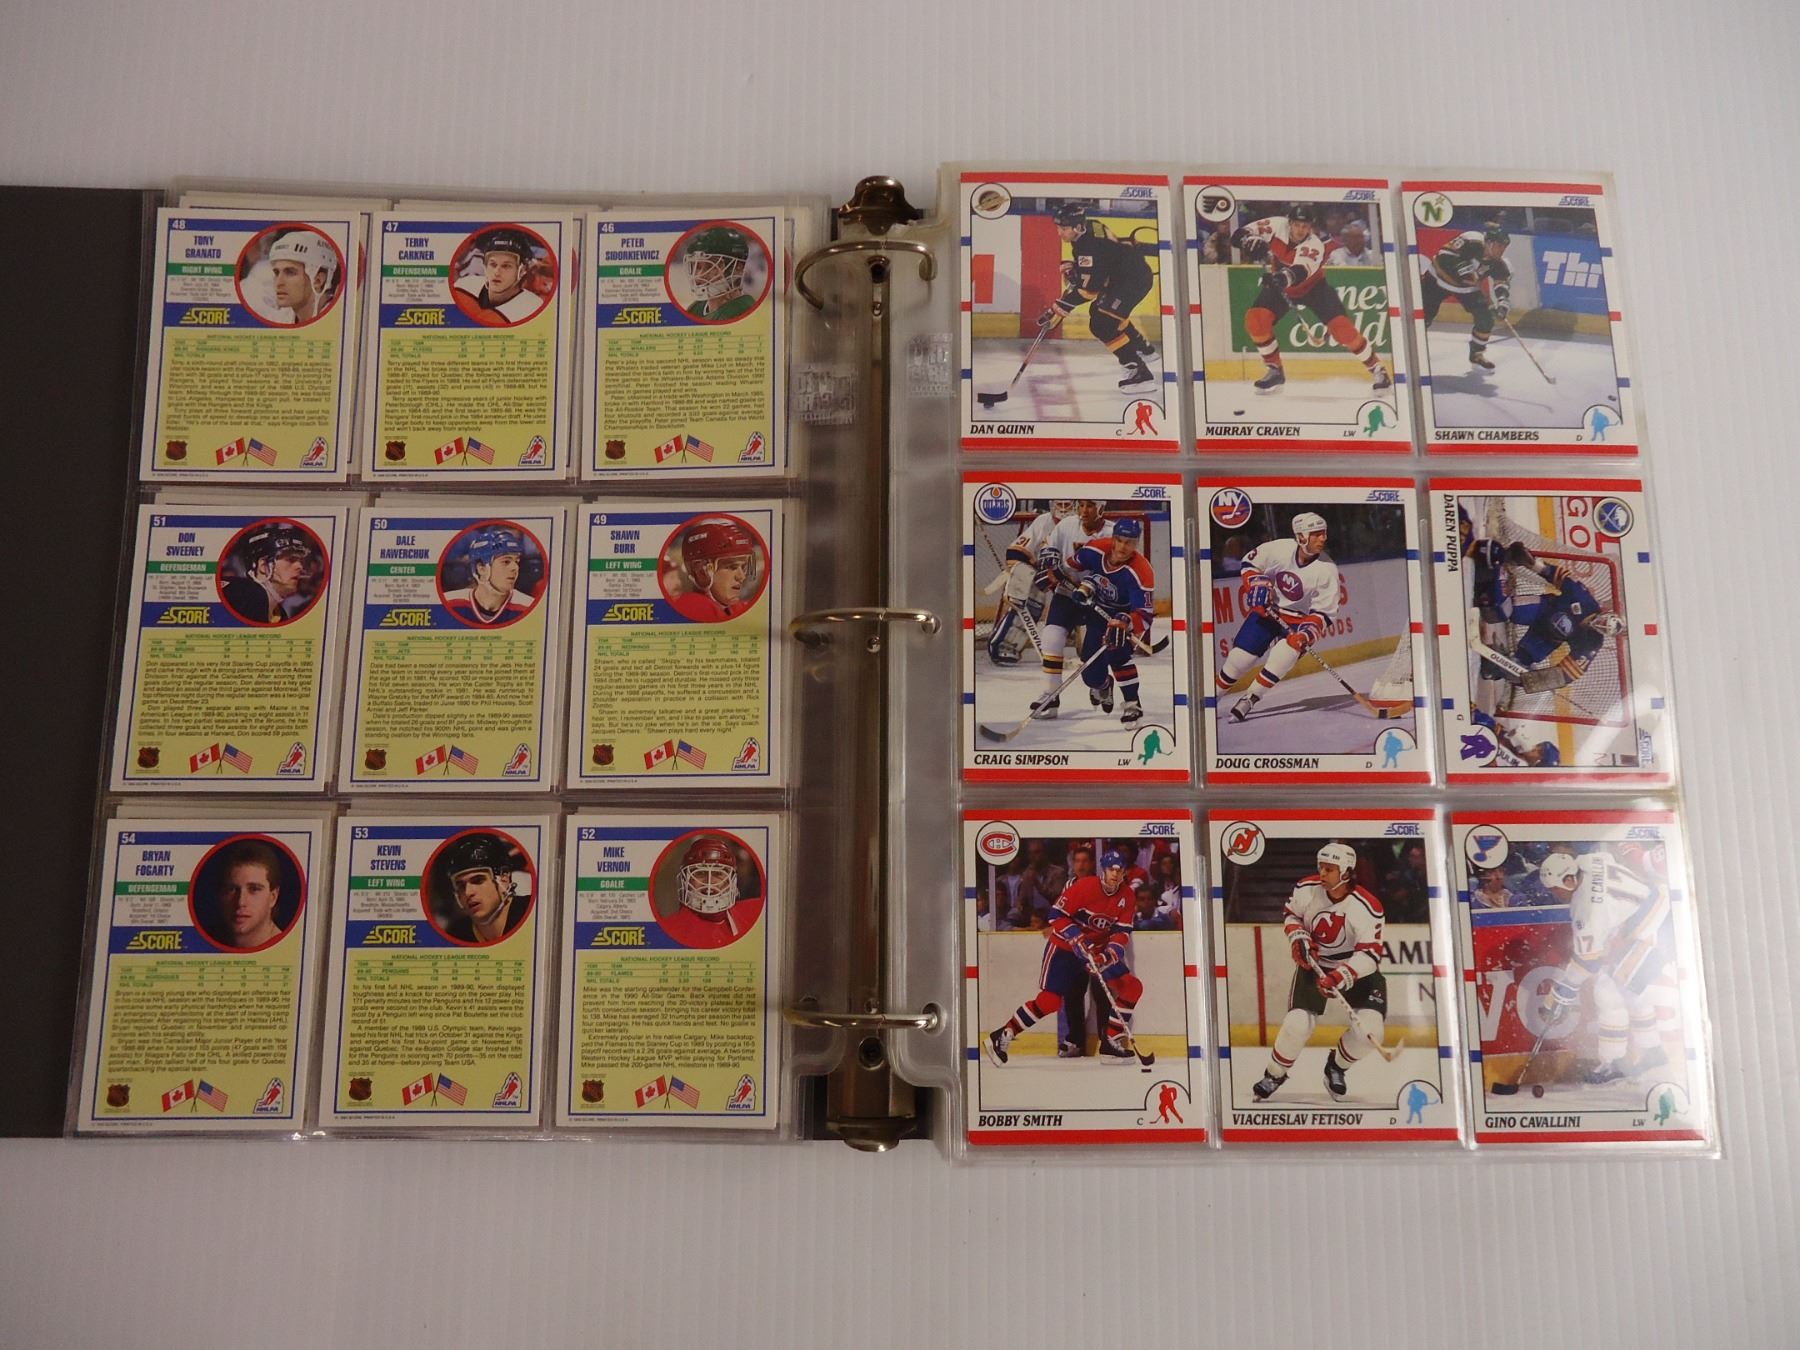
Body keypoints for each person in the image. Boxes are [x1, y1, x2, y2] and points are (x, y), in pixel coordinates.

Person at [983, 849, 1149, 1067]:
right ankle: (1003, 1034)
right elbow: (1056, 915)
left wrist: (1108, 954)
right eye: (1111, 869)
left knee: (1132, 987)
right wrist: (1078, 939)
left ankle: (1110, 1042)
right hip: (1064, 948)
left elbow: (1121, 931)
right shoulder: (1084, 887)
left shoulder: (1127, 896)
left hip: (1097, 950)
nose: (1115, 874)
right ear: (1104, 870)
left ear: (1125, 872)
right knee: (1050, 1001)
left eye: (1120, 870)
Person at [1252, 843, 1387, 1103]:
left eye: (1329, 869)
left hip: (1356, 970)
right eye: (1321, 867)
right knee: (1297, 1024)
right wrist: (1298, 937)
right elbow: (1291, 915)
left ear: (1346, 872)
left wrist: (1340, 976)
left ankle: (1336, 1067)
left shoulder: (1368, 906)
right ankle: (1274, 1074)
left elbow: (1370, 955)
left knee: (1370, 1034)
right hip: (1314, 965)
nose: (1322, 873)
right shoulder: (1306, 888)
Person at [1536, 849, 1672, 1085]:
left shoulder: (1586, 910)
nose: (1555, 895)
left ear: (1569, 880)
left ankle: (1615, 1061)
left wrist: (1559, 995)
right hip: (1658, 904)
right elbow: (1608, 858)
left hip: (1650, 923)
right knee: (1628, 988)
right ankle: (1652, 1050)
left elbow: (1587, 961)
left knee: (1606, 989)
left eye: (1555, 889)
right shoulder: (1588, 860)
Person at [1229, 203, 1390, 392]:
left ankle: (1378, 369)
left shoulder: (1314, 245)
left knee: (1343, 330)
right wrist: (1248, 241)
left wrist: (1280, 278)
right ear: (1289, 223)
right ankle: (1275, 370)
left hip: (1314, 289)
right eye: (1297, 225)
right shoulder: (1276, 225)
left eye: (1305, 226)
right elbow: (1238, 235)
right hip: (1281, 286)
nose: (1300, 230)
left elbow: (1299, 272)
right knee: (1256, 320)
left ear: (1311, 227)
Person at [1214, 512, 1341, 723]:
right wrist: (1256, 582)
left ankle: (1250, 697)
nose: (1323, 538)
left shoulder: (1327, 570)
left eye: (1324, 533)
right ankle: (1213, 696)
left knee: (1285, 655)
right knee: (1240, 659)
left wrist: (1306, 634)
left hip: (1299, 622)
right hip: (1268, 610)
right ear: (1301, 536)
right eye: (1316, 534)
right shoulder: (1280, 548)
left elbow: (1324, 612)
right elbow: (1250, 563)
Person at [1032, 516, 1155, 725]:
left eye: (1129, 543)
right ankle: (1104, 685)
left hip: (1122, 618)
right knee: (1090, 674)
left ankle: (1132, 703)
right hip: (1098, 615)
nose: (1123, 547)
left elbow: (1145, 614)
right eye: (1120, 540)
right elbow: (1069, 566)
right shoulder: (1096, 549)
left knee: (1118, 654)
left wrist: (1125, 621)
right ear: (1113, 538)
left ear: (1136, 544)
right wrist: (1053, 574)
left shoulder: (1141, 571)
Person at [1043, 201, 1160, 394]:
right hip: (1126, 275)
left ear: (1077, 227)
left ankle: (1140, 374)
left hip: (1131, 281)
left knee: (1102, 323)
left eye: (1063, 228)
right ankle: (1142, 348)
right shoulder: (1092, 226)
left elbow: (1090, 290)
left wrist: (1060, 306)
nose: (1059, 233)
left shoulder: (1087, 247)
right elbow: (1104, 257)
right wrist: (1079, 268)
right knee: (1101, 312)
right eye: (1058, 228)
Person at [1419, 222, 1512, 372]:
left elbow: (1501, 284)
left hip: (1466, 289)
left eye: (1504, 247)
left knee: (1486, 319)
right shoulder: (1472, 239)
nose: (1502, 250)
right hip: (1437, 278)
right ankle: (1414, 348)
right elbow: (1445, 254)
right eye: (1499, 246)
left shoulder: (1499, 264)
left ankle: (1477, 353)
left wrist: (1502, 303)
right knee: (1424, 315)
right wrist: (1464, 270)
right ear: (1489, 242)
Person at [659, 836, 756, 949]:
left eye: (718, 873)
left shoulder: (752, 914)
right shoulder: (669, 929)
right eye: (700, 873)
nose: (709, 882)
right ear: (685, 880)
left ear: (731, 881)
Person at [439, 833, 530, 944]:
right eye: (461, 886)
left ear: (504, 878)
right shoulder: (457, 933)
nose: (468, 892)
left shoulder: (532, 913)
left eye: (478, 881)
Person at [221, 522, 317, 625]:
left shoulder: (279, 613)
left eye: (300, 561)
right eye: (290, 559)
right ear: (263, 566)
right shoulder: (242, 594)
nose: (300, 566)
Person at [443, 525, 536, 626]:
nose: (515, 568)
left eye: (517, 561)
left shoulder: (529, 606)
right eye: (506, 561)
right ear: (481, 568)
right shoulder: (449, 602)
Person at [669, 517, 758, 621]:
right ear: (701, 571)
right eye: (732, 567)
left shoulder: (733, 606)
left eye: (743, 567)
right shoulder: (696, 607)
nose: (741, 577)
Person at [208, 837, 290, 949]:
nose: (240, 902)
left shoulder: (289, 950)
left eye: (254, 889)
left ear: (273, 897)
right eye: (231, 889)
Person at [452, 227, 544, 324]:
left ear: (522, 270)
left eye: (506, 266)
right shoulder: (465, 285)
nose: (496, 272)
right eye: (493, 264)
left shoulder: (532, 306)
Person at [680, 225, 758, 320]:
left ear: (737, 268)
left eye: (711, 267)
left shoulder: (742, 310)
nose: (700, 275)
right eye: (698, 267)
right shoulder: (695, 309)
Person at [264, 228, 339, 325]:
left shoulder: (338, 320)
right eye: (276, 273)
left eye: (290, 272)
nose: (279, 283)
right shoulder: (279, 319)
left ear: (318, 281)